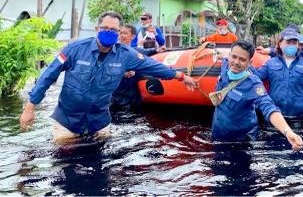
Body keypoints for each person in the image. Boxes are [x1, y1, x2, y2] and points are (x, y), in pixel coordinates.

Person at [19, 11, 199, 144]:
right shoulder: (74, 49)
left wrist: (182, 76)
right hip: (68, 122)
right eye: (105, 28)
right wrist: (29, 108)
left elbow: (155, 67)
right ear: (97, 29)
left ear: (120, 32)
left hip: (99, 123)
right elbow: (48, 76)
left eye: (114, 30)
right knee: (65, 168)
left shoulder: (126, 54)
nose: (109, 32)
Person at [209, 40, 303, 150]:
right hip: (218, 136)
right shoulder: (225, 66)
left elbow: (269, 107)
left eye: (242, 60)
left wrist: (287, 132)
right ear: (229, 56)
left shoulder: (254, 84)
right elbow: (226, 58)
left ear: (250, 62)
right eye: (234, 57)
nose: (236, 62)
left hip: (240, 143)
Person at [252, 27, 303, 129]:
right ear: (280, 44)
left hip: (299, 119)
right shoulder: (270, 63)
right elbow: (255, 79)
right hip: (275, 116)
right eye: (288, 42)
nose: (292, 45)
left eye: (294, 43)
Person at [110, 24, 161, 109]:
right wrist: (124, 74)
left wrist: (157, 50)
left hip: (132, 102)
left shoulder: (136, 51)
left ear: (133, 36)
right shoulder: (112, 53)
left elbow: (149, 52)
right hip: (115, 100)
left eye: (125, 33)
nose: (121, 36)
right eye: (120, 33)